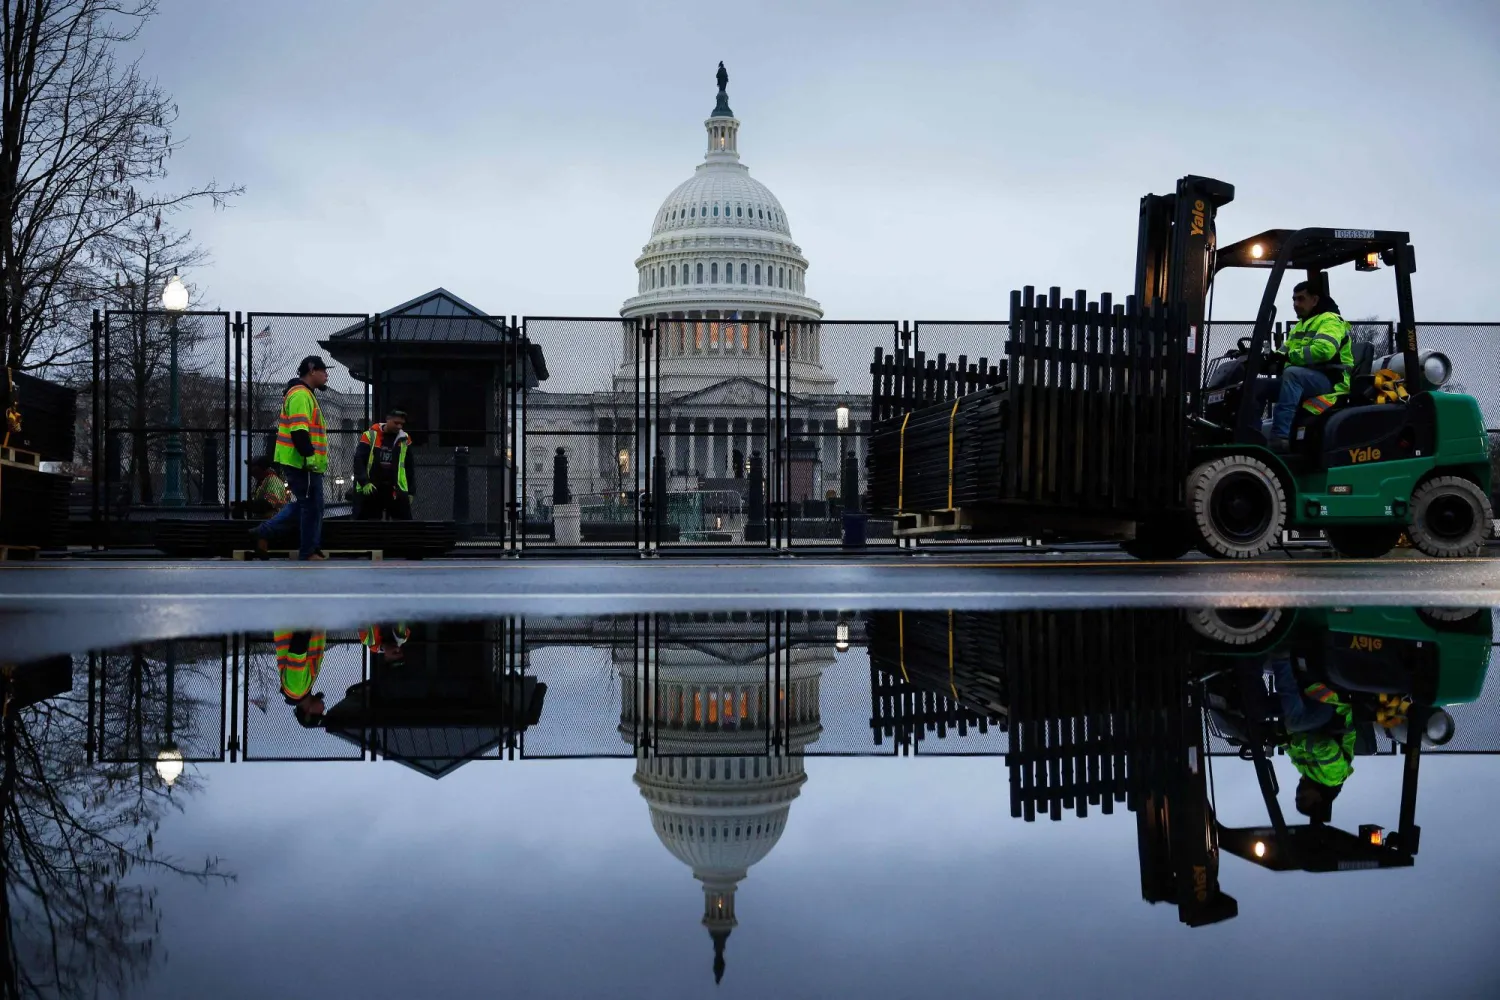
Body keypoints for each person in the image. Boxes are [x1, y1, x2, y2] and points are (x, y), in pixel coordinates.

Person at [1257, 281, 1354, 452]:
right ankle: (1250, 435)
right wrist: (1266, 361)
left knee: (1292, 374)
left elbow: (1324, 350)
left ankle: (1280, 439)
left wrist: (1289, 358)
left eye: (1301, 299)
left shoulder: (1330, 320)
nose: (1295, 304)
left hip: (1331, 382)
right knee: (1257, 386)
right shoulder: (1302, 325)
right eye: (1294, 299)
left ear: (1315, 300)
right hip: (1308, 378)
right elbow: (1283, 352)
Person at [252, 356, 332, 559]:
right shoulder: (300, 395)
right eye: (324, 371)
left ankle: (267, 532)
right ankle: (307, 550)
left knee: (311, 505)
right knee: (311, 506)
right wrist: (309, 456)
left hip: (304, 463)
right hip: (302, 462)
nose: (327, 375)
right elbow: (299, 431)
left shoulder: (304, 394)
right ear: (312, 369)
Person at [1267, 655, 1356, 824]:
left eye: (1296, 798)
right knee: (1293, 723)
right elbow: (1324, 746)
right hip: (1332, 709)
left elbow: (1290, 748)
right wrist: (1291, 740)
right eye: (1302, 798)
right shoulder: (1333, 777)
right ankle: (1281, 657)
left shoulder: (1306, 772)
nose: (1298, 793)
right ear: (1318, 798)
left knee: (1258, 710)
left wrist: (1277, 739)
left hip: (1313, 719)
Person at [352, 408, 414, 520]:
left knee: (405, 525)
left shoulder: (405, 439)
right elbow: (359, 460)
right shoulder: (370, 435)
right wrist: (364, 482)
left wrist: (411, 491)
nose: (399, 426)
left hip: (395, 488)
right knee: (367, 524)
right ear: (387, 420)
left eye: (402, 424)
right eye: (396, 423)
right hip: (372, 487)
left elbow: (409, 466)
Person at [276, 629, 328, 728]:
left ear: (309, 713)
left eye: (320, 713)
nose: (323, 709)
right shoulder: (304, 689)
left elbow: (298, 645)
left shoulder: (297, 689)